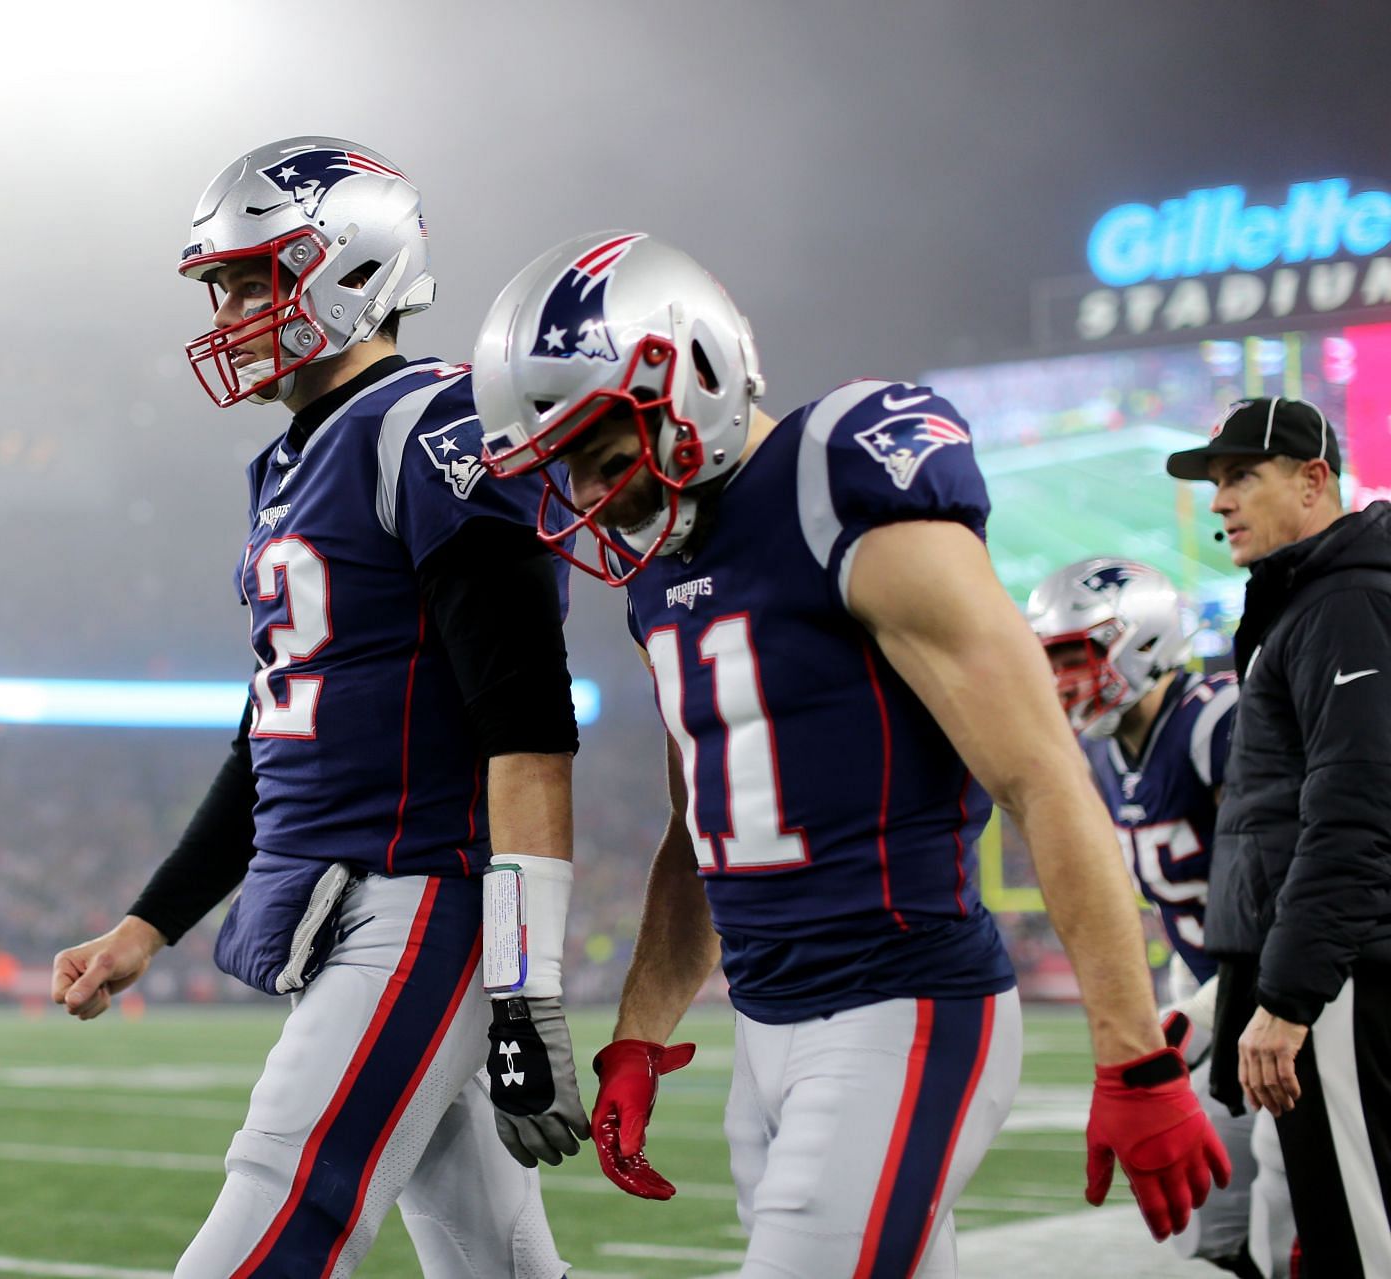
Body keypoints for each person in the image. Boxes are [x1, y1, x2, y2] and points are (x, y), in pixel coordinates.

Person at [469, 231, 1229, 1276]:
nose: (602, 497)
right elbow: (699, 834)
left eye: (608, 454)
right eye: (572, 471)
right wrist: (639, 1031)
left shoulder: (839, 479)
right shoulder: (660, 576)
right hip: (767, 1030)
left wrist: (1133, 1055)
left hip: (901, 1010)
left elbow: (1041, 773)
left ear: (692, 372)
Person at [50, 137, 583, 1278]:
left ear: (351, 267)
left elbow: (528, 724)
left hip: (422, 898)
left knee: (276, 1215)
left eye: (254, 276)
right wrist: (150, 922)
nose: (232, 308)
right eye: (223, 285)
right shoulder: (285, 463)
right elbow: (274, 730)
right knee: (496, 1265)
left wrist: (527, 980)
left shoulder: (432, 428)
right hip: (344, 894)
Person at [1166, 397, 1391, 1277]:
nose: (1220, 500)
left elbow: (1352, 813)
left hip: (1341, 983)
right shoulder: (1309, 603)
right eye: (1216, 482)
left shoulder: (1345, 603)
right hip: (1329, 976)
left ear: (1313, 479)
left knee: (1362, 1244)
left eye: (1240, 476)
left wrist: (1291, 998)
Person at [1028, 558, 1288, 1277]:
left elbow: (1275, 888)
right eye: (1050, 659)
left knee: (1294, 1211)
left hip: (1288, 1003)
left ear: (1137, 641)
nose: (1061, 680)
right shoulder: (1105, 752)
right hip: (1220, 1001)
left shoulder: (1217, 719)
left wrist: (1198, 1015)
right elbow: (1184, 907)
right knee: (1210, 1215)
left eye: (1073, 655)